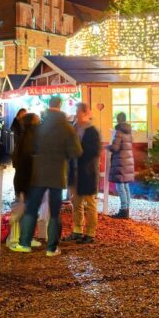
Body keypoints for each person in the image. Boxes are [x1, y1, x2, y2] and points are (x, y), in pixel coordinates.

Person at [12, 96, 82, 256]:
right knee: (55, 212)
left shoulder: (40, 127)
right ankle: (51, 248)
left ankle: (25, 243)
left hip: (39, 173)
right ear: (61, 105)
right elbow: (76, 152)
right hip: (57, 174)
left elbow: (31, 148)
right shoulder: (68, 128)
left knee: (31, 209)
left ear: (49, 106)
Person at [64, 103, 102, 244]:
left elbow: (95, 151)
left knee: (90, 203)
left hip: (87, 172)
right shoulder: (75, 128)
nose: (76, 114)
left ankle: (90, 232)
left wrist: (78, 150)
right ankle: (77, 230)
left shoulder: (92, 131)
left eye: (78, 111)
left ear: (85, 113)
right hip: (75, 172)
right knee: (76, 203)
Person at [108, 112, 135, 219]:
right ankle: (126, 209)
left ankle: (123, 210)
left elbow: (115, 147)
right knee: (125, 186)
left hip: (120, 161)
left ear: (118, 119)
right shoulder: (129, 132)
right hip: (128, 160)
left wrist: (107, 147)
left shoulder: (119, 131)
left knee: (120, 186)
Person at [12, 112, 39, 201]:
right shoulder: (32, 133)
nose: (39, 120)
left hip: (22, 174)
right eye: (37, 119)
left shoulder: (24, 132)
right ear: (32, 122)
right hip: (28, 174)